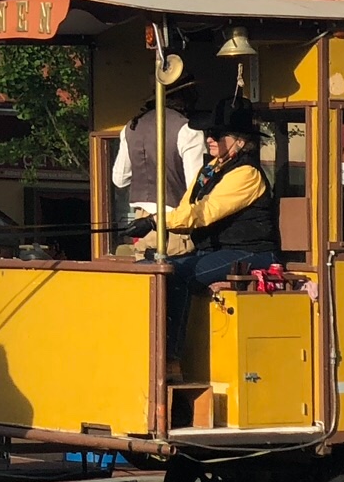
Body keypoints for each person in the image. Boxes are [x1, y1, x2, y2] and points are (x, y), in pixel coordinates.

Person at [132, 99, 279, 376]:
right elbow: (186, 209)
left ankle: (171, 360)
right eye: (208, 133)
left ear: (238, 141)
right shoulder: (209, 170)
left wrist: (154, 221)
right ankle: (146, 350)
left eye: (217, 135)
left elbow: (204, 213)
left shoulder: (247, 173)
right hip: (214, 251)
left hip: (252, 253)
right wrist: (157, 223)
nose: (209, 139)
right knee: (152, 270)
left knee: (177, 273)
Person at [113, 84, 205, 251]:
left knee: (146, 275)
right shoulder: (188, 129)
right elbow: (195, 187)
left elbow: (119, 179)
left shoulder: (131, 127)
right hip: (176, 221)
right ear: (186, 97)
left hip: (141, 222)